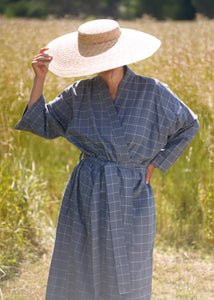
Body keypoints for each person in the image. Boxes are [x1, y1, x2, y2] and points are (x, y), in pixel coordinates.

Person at [15, 19, 199, 300]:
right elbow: (40, 123)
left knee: (131, 264)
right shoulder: (79, 94)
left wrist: (157, 163)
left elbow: (190, 125)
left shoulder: (153, 92)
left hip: (133, 191)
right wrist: (40, 77)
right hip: (87, 189)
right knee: (82, 261)